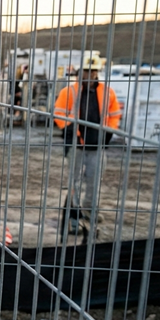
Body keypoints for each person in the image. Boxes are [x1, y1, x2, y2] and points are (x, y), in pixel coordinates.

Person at [53, 52, 121, 237]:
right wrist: (70, 129)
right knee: (73, 181)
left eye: (93, 71)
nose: (89, 74)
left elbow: (114, 114)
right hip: (76, 144)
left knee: (94, 181)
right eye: (86, 70)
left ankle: (90, 211)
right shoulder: (69, 91)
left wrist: (108, 132)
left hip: (97, 144)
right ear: (79, 72)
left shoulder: (107, 92)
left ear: (97, 72)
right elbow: (58, 113)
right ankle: (74, 216)